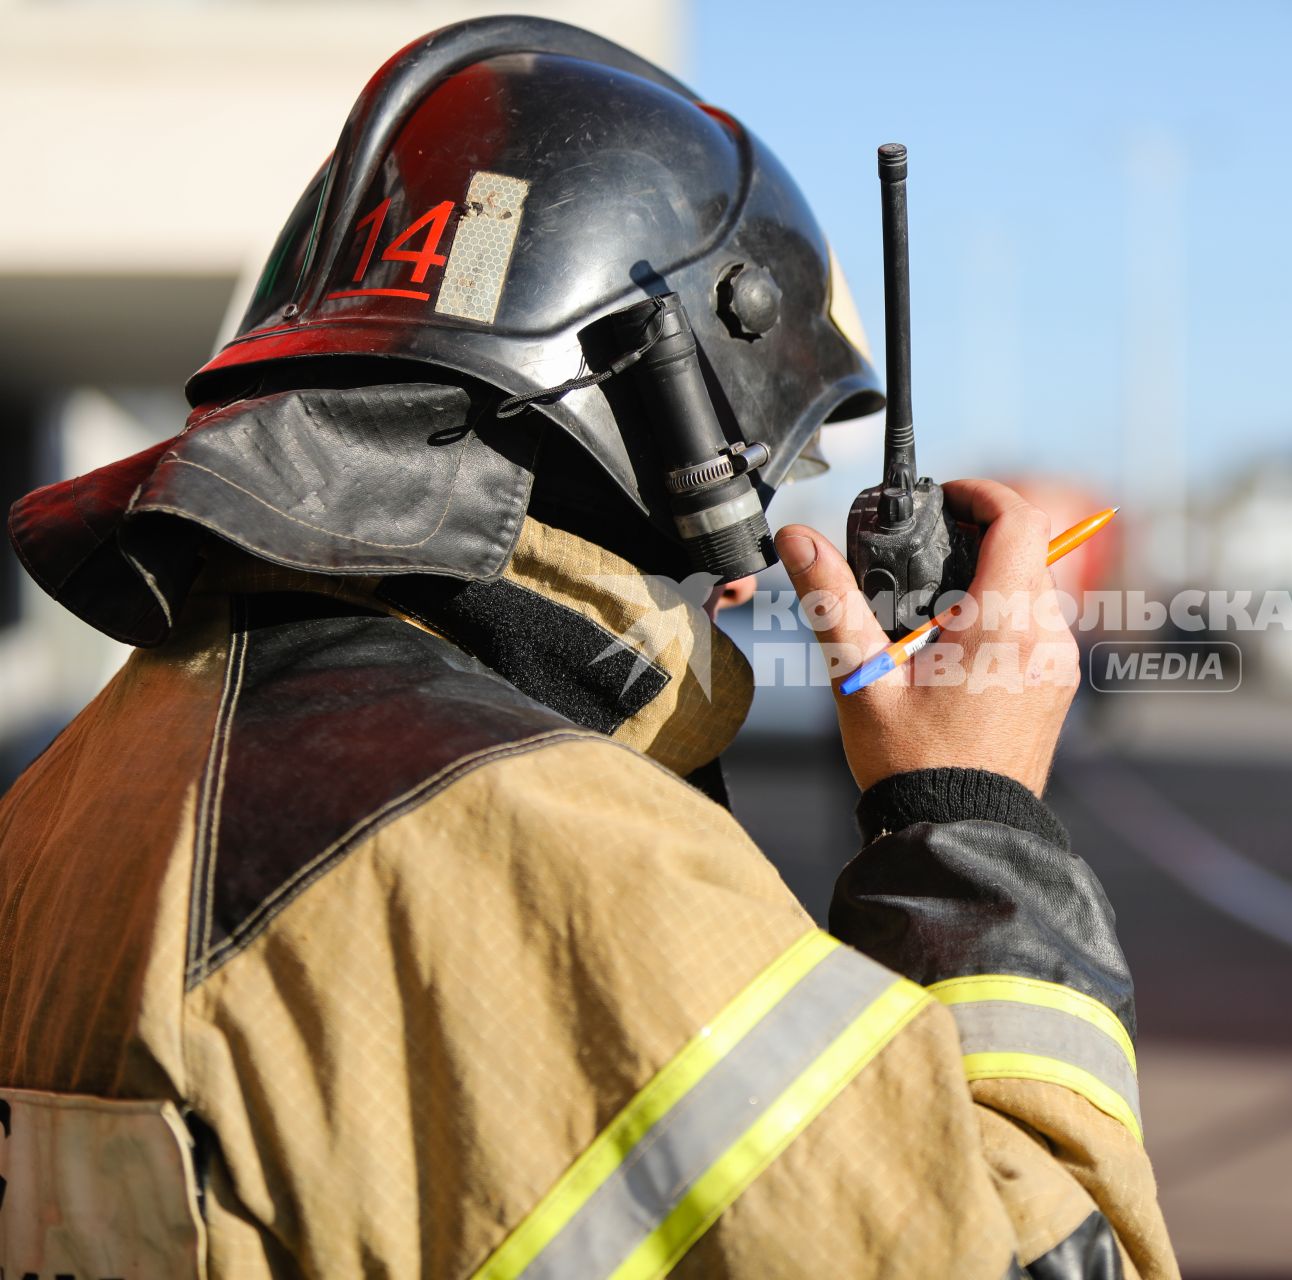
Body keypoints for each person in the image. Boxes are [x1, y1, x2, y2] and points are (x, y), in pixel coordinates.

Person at [0, 17, 1174, 1280]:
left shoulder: (61, 807)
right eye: (782, 460)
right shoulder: (569, 856)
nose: (770, 529)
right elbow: (1039, 1261)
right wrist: (970, 819)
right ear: (672, 434)